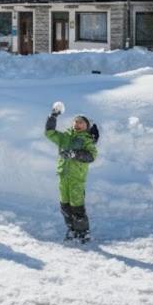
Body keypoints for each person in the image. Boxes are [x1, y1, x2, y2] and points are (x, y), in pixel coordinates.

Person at [45, 101, 98, 242]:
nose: (77, 124)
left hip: (77, 178)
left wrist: (75, 154)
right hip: (63, 177)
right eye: (76, 121)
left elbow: (91, 156)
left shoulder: (87, 140)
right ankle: (72, 229)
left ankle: (83, 232)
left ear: (87, 126)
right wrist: (53, 116)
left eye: (81, 122)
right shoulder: (65, 137)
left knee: (77, 206)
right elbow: (49, 133)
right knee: (65, 206)